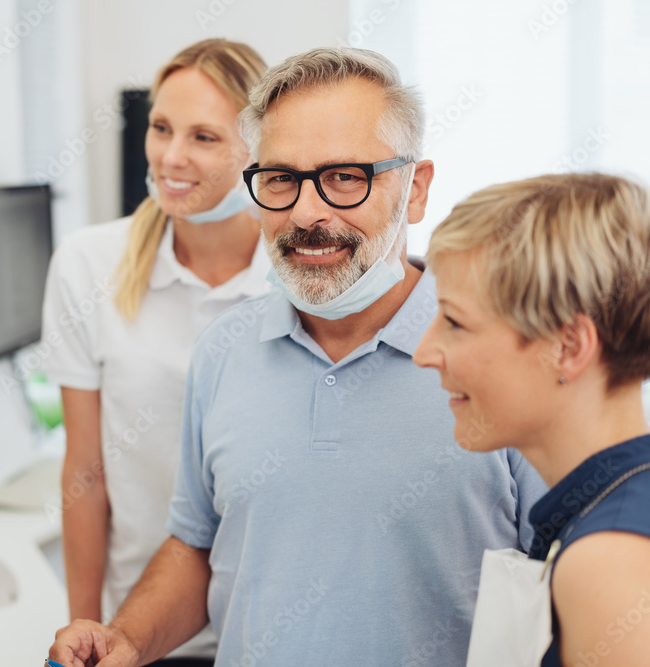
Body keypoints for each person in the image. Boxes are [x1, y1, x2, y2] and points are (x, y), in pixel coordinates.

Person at [47, 47, 547, 666]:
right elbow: (198, 548)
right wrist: (126, 638)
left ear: (415, 190)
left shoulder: (511, 357)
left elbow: (571, 582)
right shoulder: (223, 351)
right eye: (281, 178)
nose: (308, 213)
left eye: (345, 177)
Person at [41, 39, 270, 663]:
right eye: (161, 128)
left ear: (260, 149)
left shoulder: (299, 279)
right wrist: (86, 627)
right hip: (141, 628)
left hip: (270, 627)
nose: (171, 156)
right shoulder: (88, 266)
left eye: (204, 137)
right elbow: (84, 472)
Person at [413, 173, 650, 666]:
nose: (424, 351)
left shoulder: (608, 560)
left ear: (568, 347)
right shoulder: (606, 515)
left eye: (454, 322)